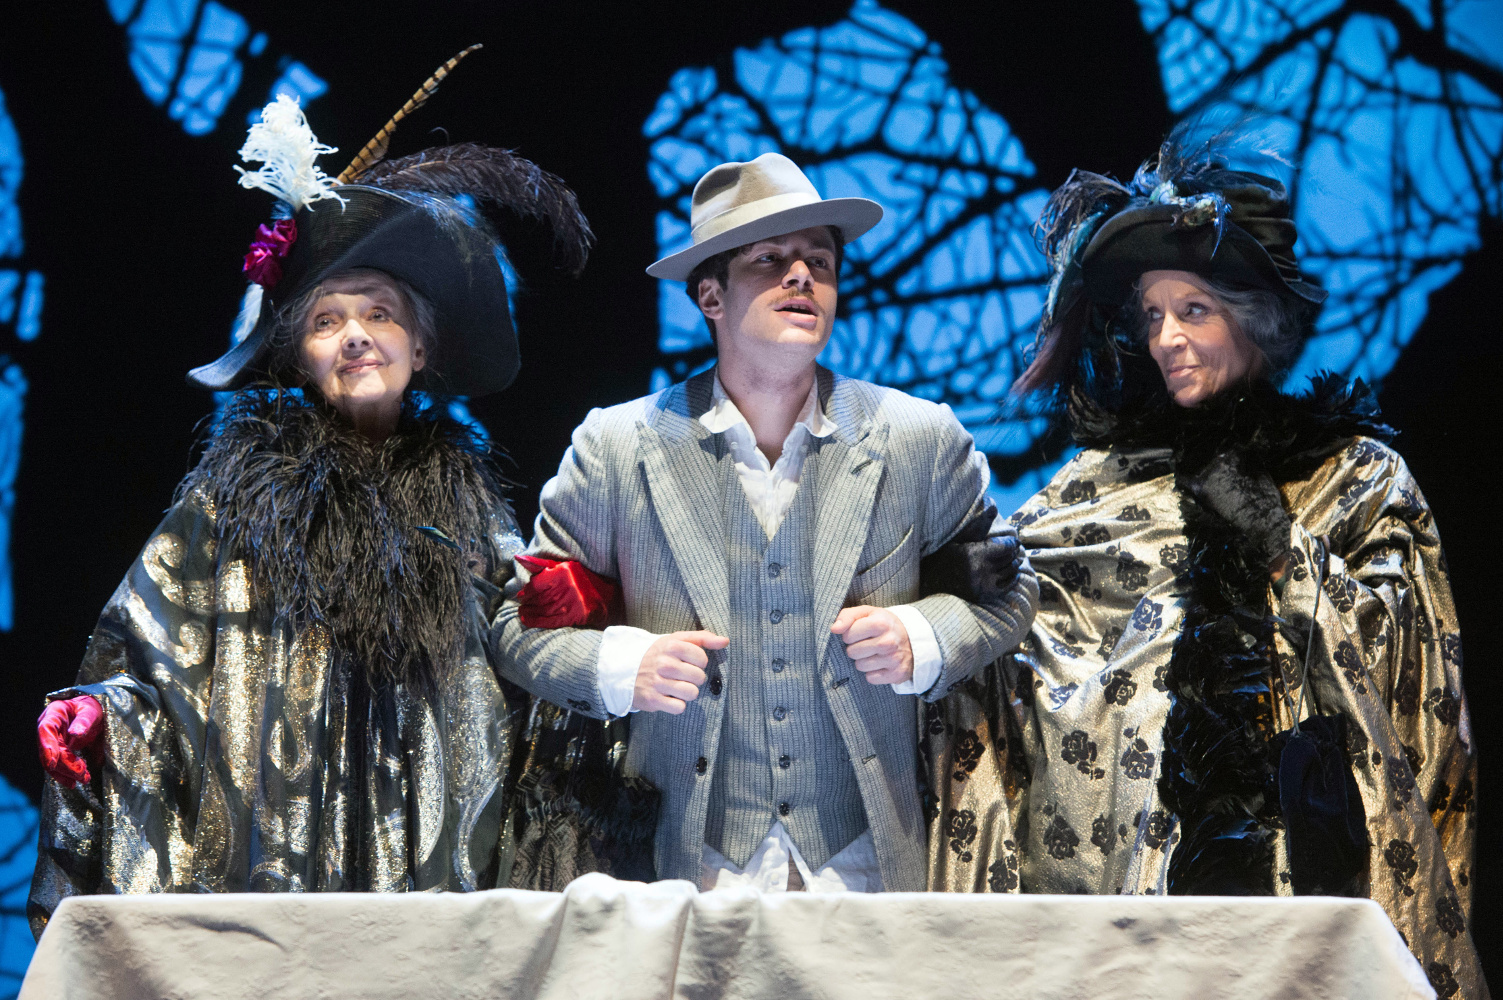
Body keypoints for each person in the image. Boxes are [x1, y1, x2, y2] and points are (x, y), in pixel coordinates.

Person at [923, 127, 1486, 996]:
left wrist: (1278, 544)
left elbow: (1410, 673)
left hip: (1302, 873)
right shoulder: (1098, 485)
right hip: (1130, 894)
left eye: (1193, 311)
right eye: (1152, 316)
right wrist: (963, 589)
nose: (1166, 340)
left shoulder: (1354, 476)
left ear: (1252, 319)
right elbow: (1023, 642)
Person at [29, 87, 593, 932]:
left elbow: (520, 675)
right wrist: (101, 720)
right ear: (299, 354)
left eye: (379, 313)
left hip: (426, 861)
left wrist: (562, 620)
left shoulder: (471, 517)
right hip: (276, 848)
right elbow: (151, 654)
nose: (356, 335)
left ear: (421, 346)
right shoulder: (229, 506)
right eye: (328, 320)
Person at [492, 152, 1038, 894]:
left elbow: (1006, 587)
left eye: (820, 261)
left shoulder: (917, 437)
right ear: (710, 295)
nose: (801, 276)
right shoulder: (618, 447)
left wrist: (925, 636)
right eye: (769, 259)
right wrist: (621, 668)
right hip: (685, 863)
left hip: (867, 860)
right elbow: (521, 625)